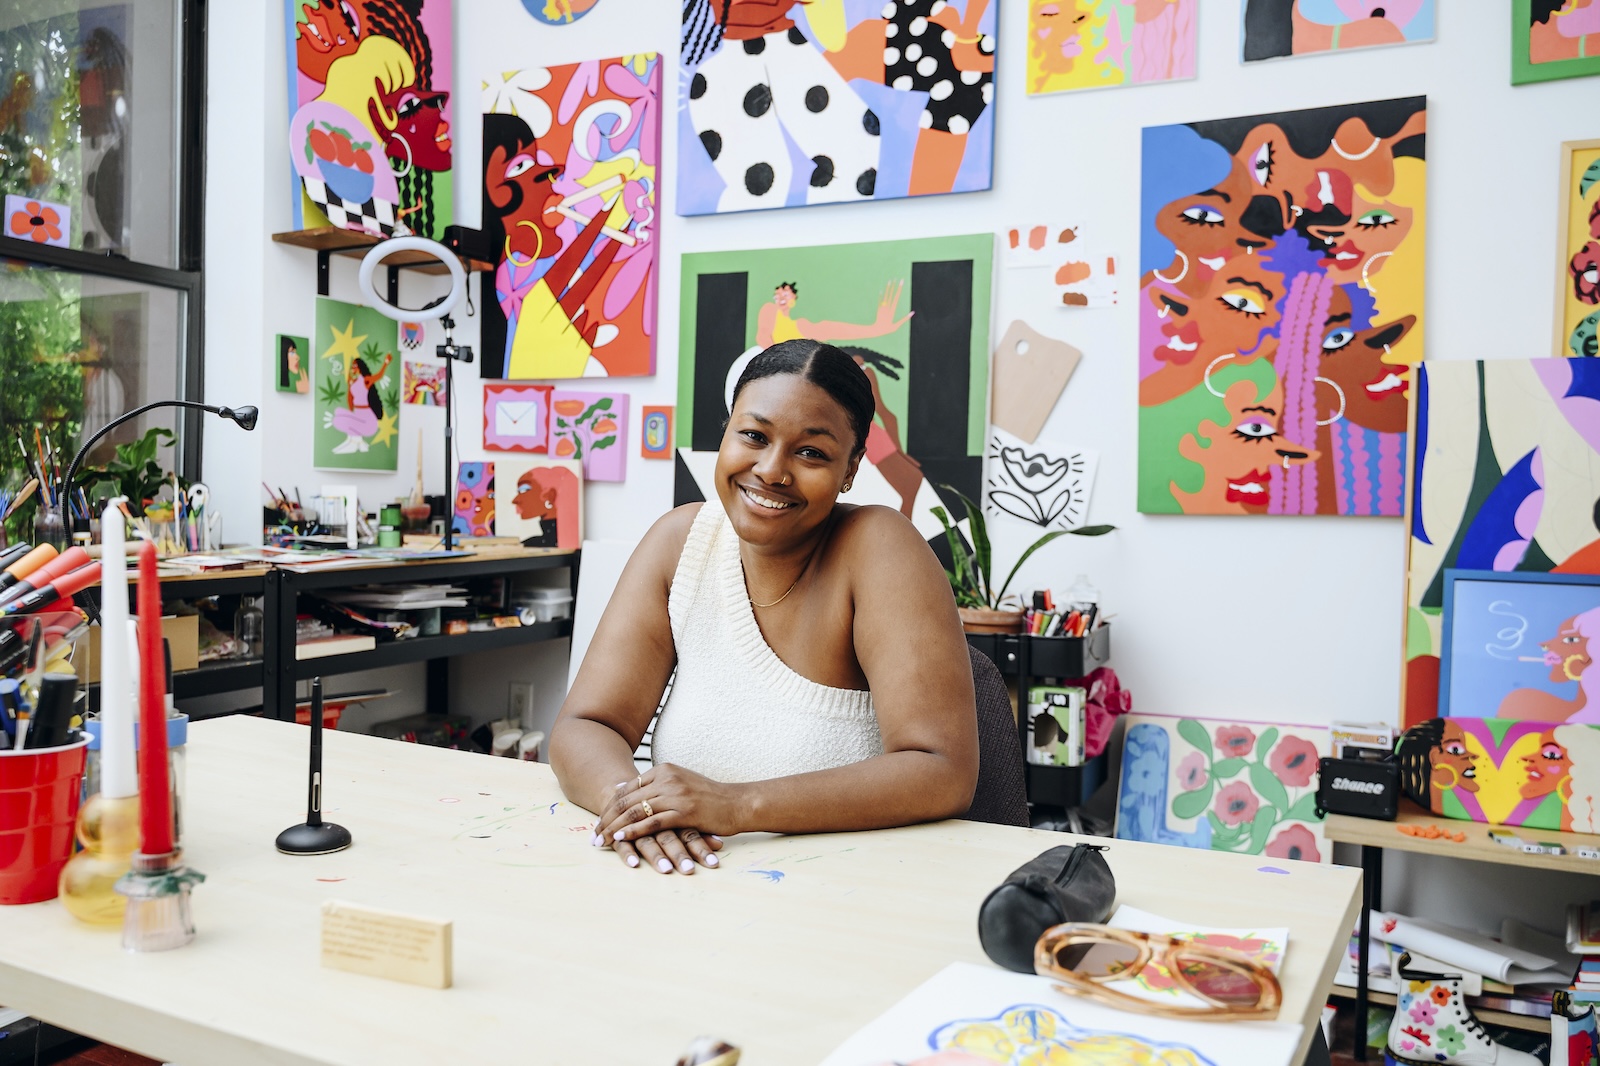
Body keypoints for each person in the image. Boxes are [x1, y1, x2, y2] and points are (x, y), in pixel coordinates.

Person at [548, 339, 978, 875]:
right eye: (753, 436)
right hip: (688, 886)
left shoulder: (880, 548)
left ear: (849, 470)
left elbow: (942, 772)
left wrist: (735, 804)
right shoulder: (681, 541)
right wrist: (636, 807)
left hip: (847, 896)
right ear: (726, 434)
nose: (772, 470)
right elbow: (585, 725)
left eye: (812, 452)